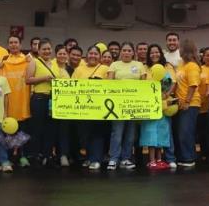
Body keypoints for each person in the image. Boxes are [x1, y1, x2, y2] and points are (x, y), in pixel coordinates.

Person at [25, 39, 67, 166]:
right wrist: (44, 78)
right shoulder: (34, 62)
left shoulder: (55, 64)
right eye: (44, 49)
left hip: (52, 99)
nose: (47, 51)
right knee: (37, 128)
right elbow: (28, 80)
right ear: (38, 50)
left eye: (49, 49)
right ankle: (35, 155)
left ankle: (47, 155)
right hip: (39, 98)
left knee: (51, 128)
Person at [106, 42, 145, 170]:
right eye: (124, 50)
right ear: (120, 52)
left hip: (134, 105)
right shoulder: (114, 65)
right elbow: (109, 83)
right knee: (116, 132)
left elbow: (144, 84)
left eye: (129, 50)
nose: (127, 53)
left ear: (133, 52)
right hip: (117, 105)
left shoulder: (139, 65)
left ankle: (126, 158)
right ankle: (113, 159)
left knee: (130, 134)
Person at [72, 45, 108, 170]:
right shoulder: (79, 69)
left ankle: (96, 159)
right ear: (86, 55)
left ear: (100, 56)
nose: (93, 56)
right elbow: (71, 86)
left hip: (99, 108)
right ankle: (88, 157)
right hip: (82, 108)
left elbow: (110, 87)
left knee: (97, 134)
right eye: (91, 53)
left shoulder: (105, 69)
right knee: (84, 134)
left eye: (95, 54)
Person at [140, 45, 175, 171]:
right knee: (150, 133)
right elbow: (141, 84)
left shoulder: (167, 67)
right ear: (148, 55)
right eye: (152, 52)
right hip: (149, 105)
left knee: (161, 132)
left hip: (162, 104)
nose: (154, 54)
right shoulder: (144, 67)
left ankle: (160, 160)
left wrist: (166, 94)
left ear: (160, 53)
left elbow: (172, 83)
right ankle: (152, 160)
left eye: (157, 52)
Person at [1, 35, 32, 167]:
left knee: (23, 131)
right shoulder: (3, 62)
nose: (13, 45)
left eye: (16, 42)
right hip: (8, 102)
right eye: (11, 43)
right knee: (8, 131)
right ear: (8, 45)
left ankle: (23, 156)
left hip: (23, 101)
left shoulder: (27, 60)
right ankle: (8, 157)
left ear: (20, 44)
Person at [174, 38, 201, 168]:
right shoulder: (181, 65)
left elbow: (193, 85)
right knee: (181, 132)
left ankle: (189, 157)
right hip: (180, 103)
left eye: (180, 48)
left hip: (190, 104)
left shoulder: (192, 66)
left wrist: (187, 101)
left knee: (186, 132)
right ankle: (183, 156)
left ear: (185, 50)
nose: (178, 50)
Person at [196, 47, 209, 163]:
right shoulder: (199, 69)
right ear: (203, 57)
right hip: (202, 106)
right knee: (203, 132)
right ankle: (205, 153)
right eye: (207, 55)